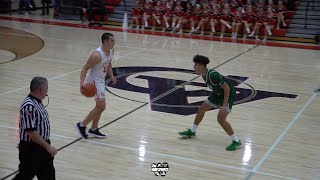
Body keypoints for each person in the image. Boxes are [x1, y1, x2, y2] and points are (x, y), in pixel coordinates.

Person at [178, 55, 241, 151]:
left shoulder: (213, 75)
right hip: (217, 94)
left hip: (228, 94)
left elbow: (227, 87)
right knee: (201, 110)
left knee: (221, 119)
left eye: (196, 65)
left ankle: (236, 141)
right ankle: (192, 131)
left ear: (202, 66)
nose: (194, 67)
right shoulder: (204, 75)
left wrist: (224, 105)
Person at [13, 77, 57, 180]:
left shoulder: (37, 102)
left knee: (48, 175)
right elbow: (31, 132)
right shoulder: (29, 106)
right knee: (25, 175)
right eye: (46, 88)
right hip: (31, 149)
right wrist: (48, 147)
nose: (47, 91)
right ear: (40, 90)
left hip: (41, 147)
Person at [76, 33, 116, 139]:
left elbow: (109, 63)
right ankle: (82, 125)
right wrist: (81, 82)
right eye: (112, 41)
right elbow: (85, 68)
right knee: (101, 106)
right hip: (93, 81)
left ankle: (94, 129)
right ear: (105, 41)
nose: (114, 43)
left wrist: (111, 75)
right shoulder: (97, 55)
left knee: (100, 107)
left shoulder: (111, 51)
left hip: (101, 80)